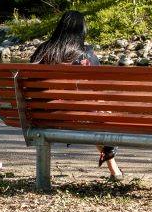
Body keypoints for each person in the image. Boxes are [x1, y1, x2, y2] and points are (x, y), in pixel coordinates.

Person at [31, 11, 122, 180]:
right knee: (96, 110)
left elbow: (31, 84)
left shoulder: (43, 51)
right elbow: (98, 87)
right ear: (82, 31)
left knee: (90, 109)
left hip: (46, 115)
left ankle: (114, 169)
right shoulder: (87, 54)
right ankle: (113, 166)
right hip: (83, 114)